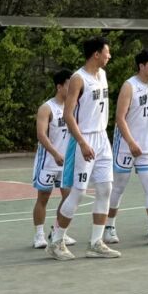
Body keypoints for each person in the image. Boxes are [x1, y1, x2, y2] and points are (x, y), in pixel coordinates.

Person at [48, 37, 118, 260]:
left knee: (105, 189)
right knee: (78, 193)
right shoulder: (78, 79)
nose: (109, 56)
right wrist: (82, 142)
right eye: (107, 52)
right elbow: (68, 115)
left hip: (102, 138)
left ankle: (96, 242)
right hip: (84, 138)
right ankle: (56, 241)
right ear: (96, 54)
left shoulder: (102, 75)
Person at [105, 49, 148, 245]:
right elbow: (120, 118)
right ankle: (109, 227)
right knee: (118, 187)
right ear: (141, 66)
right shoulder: (129, 86)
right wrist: (130, 142)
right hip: (125, 145)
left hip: (146, 146)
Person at [31, 69, 74, 249]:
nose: (73, 89)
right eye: (69, 85)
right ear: (59, 86)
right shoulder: (47, 108)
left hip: (66, 161)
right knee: (44, 196)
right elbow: (41, 134)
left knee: (69, 196)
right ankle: (39, 235)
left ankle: (57, 231)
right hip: (48, 161)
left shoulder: (74, 107)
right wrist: (55, 153)